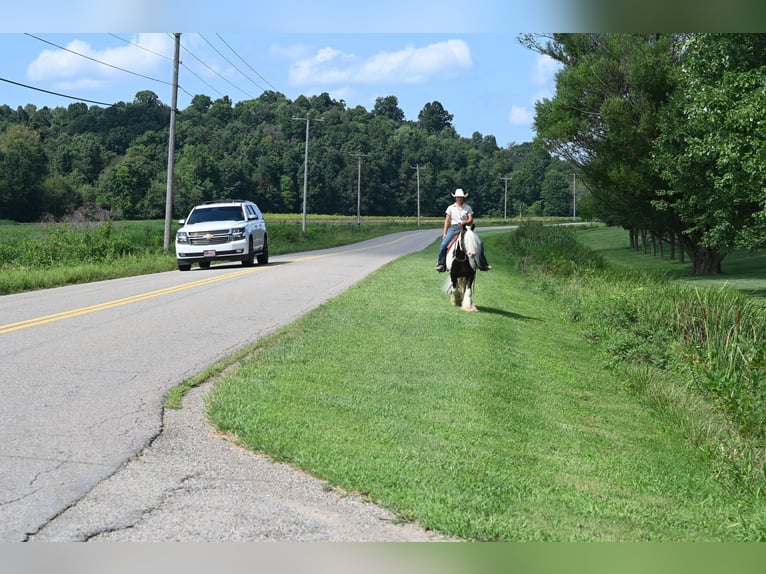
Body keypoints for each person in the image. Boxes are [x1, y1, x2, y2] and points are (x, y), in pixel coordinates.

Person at [435, 188, 491, 272]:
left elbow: (471, 220)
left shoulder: (468, 208)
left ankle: (483, 263)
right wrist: (445, 233)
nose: (459, 198)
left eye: (461, 197)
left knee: (479, 243)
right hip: (454, 228)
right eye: (458, 197)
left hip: (466, 228)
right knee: (443, 245)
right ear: (455, 197)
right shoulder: (450, 208)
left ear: (463, 198)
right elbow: (447, 220)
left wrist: (465, 222)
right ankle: (441, 264)